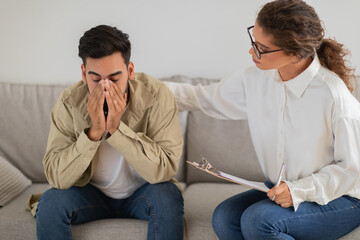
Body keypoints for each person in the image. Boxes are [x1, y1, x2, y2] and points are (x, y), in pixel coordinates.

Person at [165, 0, 360, 239]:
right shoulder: (256, 78)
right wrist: (135, 90)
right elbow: (200, 97)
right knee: (225, 217)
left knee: (258, 221)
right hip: (281, 186)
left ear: (294, 53)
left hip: (342, 197)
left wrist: (297, 190)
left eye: (261, 47)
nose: (251, 52)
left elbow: (351, 170)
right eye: (253, 41)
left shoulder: (333, 94)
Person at [34, 25, 184, 240]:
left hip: (143, 192)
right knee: (50, 202)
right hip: (89, 194)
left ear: (130, 71)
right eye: (96, 79)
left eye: (114, 78)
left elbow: (164, 170)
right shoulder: (69, 103)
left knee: (168, 196)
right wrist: (93, 132)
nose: (105, 87)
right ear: (84, 73)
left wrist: (116, 129)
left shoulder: (158, 95)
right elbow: (57, 177)